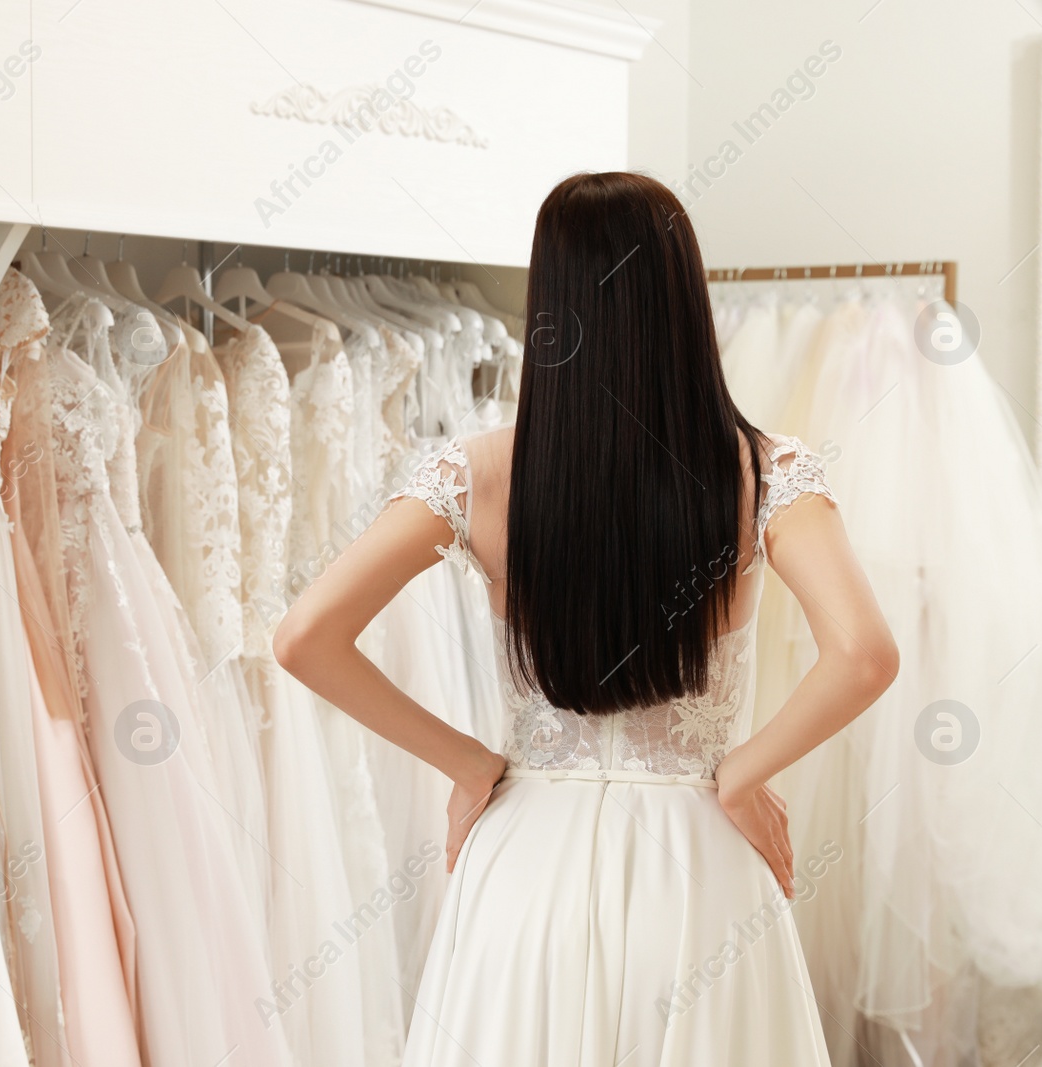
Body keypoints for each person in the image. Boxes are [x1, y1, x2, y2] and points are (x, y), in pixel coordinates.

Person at [273, 170, 898, 1065]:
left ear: (550, 303)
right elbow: (864, 653)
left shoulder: (478, 473)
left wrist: (472, 764)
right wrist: (738, 774)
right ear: (683, 297)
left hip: (526, 871)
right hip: (697, 877)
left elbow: (304, 637)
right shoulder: (762, 472)